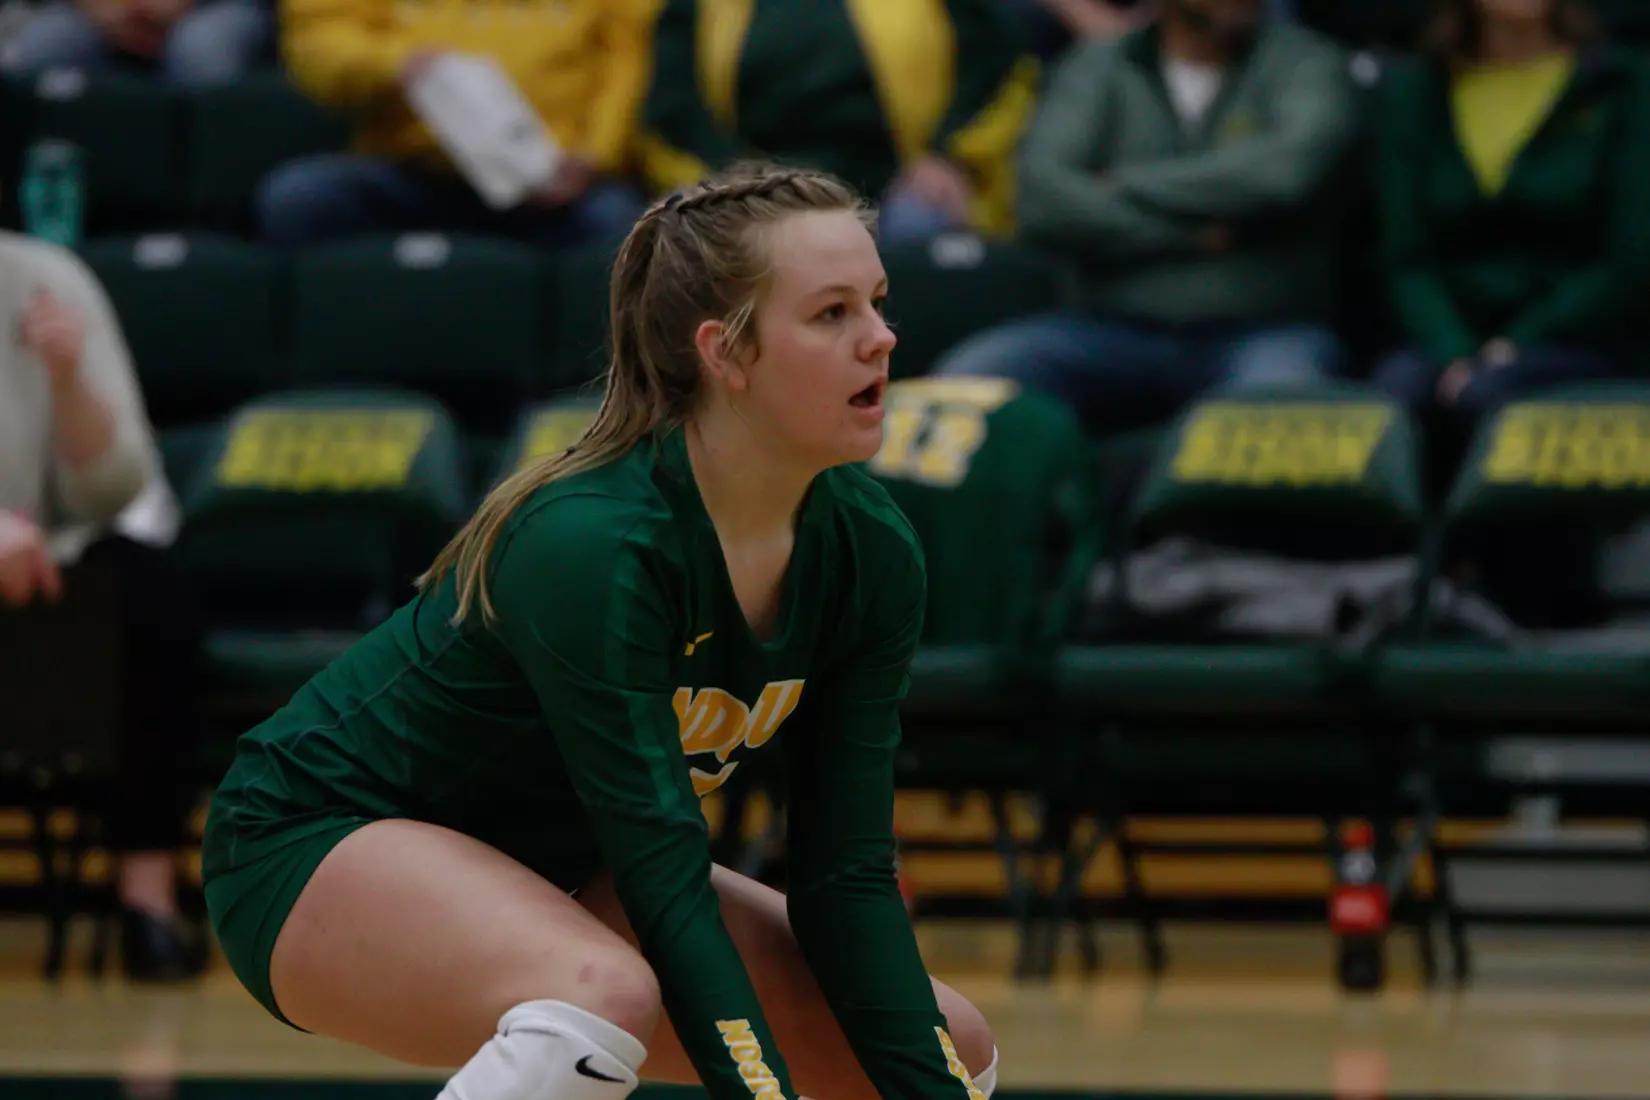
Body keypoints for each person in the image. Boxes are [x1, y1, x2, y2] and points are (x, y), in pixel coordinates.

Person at [201, 164, 999, 1100]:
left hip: (568, 872)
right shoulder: (593, 543)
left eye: (878, 301)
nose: (882, 339)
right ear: (726, 354)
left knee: (954, 1044)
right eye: (832, 314)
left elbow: (847, 877)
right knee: (600, 996)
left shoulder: (871, 550)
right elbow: (664, 878)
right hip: (315, 845)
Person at [931, 0, 1357, 435]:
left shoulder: (1307, 61)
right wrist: (1192, 235)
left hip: (1260, 330)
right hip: (1109, 329)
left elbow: (1282, 174)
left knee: (1276, 418)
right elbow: (1043, 199)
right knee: (963, 388)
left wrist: (1121, 184)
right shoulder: (1100, 63)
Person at [0, 230, 206, 981]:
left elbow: (115, 488)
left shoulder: (44, 279)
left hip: (37, 569)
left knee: (148, 591)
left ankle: (146, 903)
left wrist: (66, 381)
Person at [1370, 0, 1650, 455]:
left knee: (1490, 398)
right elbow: (1405, 256)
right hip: (1452, 331)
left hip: (1582, 333)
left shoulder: (1626, 83)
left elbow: (1631, 260)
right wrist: (1454, 349)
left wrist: (1517, 343)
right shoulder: (1413, 90)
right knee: (1390, 403)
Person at [255, 0, 651, 249]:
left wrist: (595, 154)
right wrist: (395, 63)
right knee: (298, 200)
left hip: (554, 182)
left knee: (626, 232)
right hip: (412, 167)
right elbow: (316, 46)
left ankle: (594, 380)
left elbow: (630, 56)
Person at [638, 0, 1038, 244]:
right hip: (757, 186)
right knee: (715, 246)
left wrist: (948, 154)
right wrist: (729, 182)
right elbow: (671, 106)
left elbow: (995, 66)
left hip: (900, 180)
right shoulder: (693, 6)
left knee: (921, 228)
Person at [0, 0, 273, 86]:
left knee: (202, 49)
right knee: (48, 44)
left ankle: (207, 201)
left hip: (214, 7)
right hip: (98, 9)